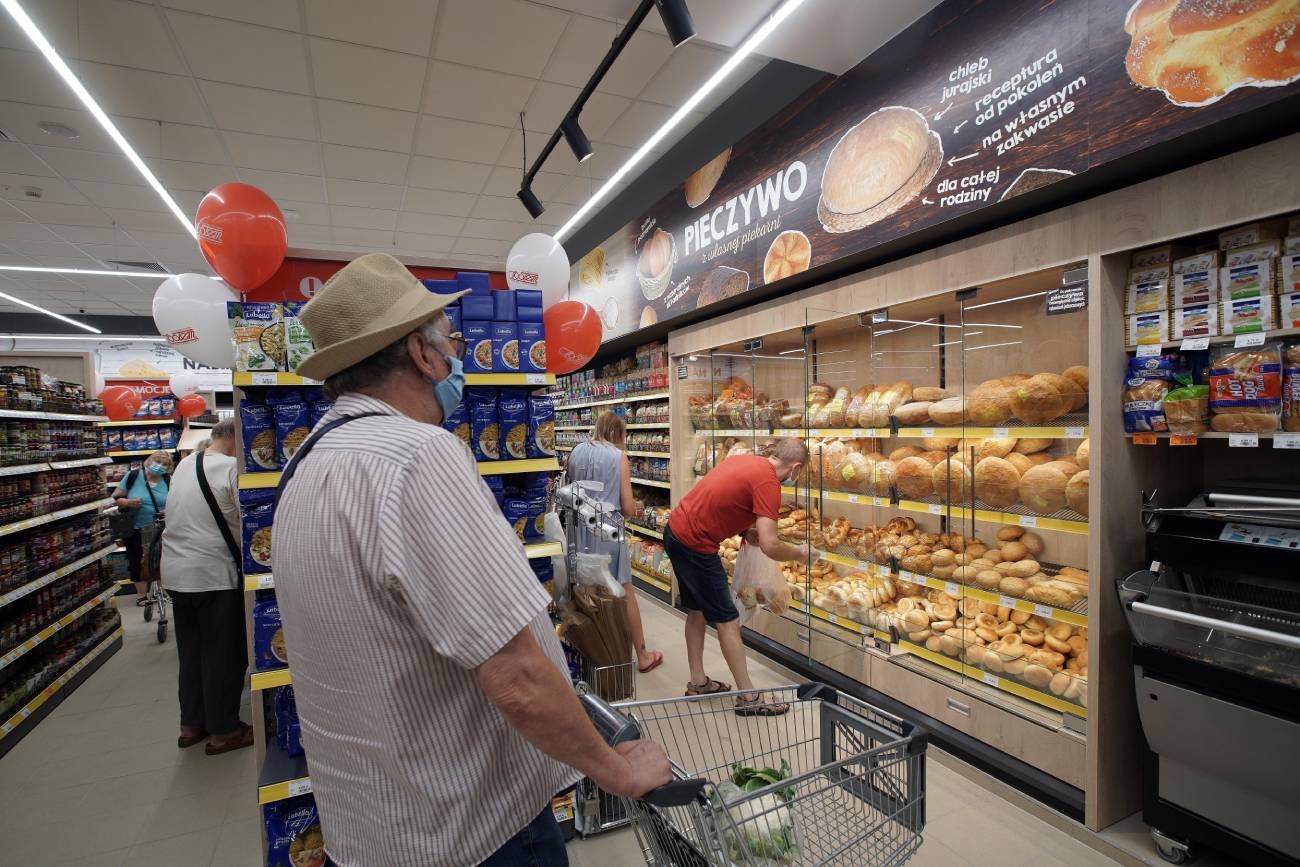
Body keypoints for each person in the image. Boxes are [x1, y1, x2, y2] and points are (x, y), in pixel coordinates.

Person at [273, 254, 670, 867]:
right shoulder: (417, 457)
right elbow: (515, 677)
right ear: (421, 355)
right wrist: (614, 769)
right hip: (471, 834)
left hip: (368, 832)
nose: (456, 356)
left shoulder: (301, 471)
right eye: (449, 343)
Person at [664, 438, 809, 715]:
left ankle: (698, 682)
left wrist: (744, 532)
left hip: (676, 531)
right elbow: (770, 544)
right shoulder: (769, 484)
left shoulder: (747, 460)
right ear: (796, 468)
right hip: (696, 545)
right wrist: (799, 554)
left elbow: (722, 500)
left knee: (696, 612)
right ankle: (748, 698)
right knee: (728, 621)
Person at [159, 419, 251, 754]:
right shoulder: (229, 468)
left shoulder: (185, 464)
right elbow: (250, 521)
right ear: (235, 439)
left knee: (192, 652)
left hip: (176, 574)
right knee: (223, 654)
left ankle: (191, 724)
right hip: (213, 573)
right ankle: (224, 731)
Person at [567, 412, 663, 673]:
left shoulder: (576, 452)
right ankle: (642, 656)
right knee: (623, 591)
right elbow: (629, 506)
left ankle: (593, 653)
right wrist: (640, 507)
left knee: (585, 590)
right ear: (617, 433)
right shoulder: (618, 456)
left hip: (580, 529)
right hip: (607, 529)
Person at [111, 449, 172, 605]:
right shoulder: (133, 476)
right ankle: (142, 595)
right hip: (136, 527)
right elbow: (117, 497)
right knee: (137, 559)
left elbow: (175, 499)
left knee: (162, 558)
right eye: (157, 462)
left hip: (161, 527)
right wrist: (128, 502)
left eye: (165, 464)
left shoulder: (167, 480)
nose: (160, 466)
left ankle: (162, 591)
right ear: (149, 461)